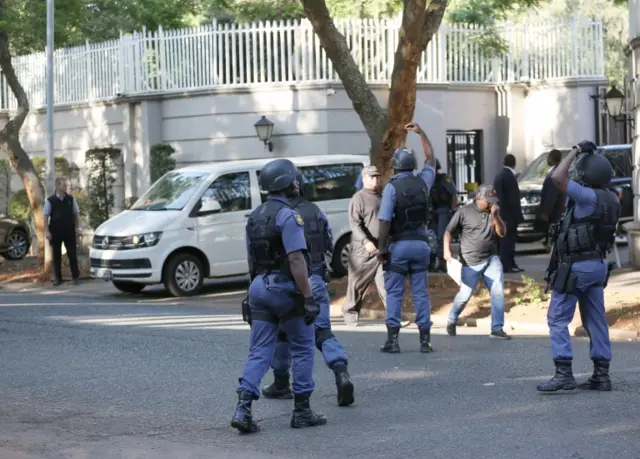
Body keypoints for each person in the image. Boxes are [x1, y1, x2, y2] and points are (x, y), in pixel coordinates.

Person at [232, 158, 326, 434]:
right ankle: (302, 411)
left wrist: (252, 296)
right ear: (285, 183)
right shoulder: (288, 216)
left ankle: (243, 407)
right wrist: (308, 296)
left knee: (260, 350)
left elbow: (252, 260)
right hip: (284, 287)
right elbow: (296, 258)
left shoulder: (255, 215)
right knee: (303, 344)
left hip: (259, 287)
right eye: (294, 179)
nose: (297, 183)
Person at [261, 170, 354, 407]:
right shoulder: (315, 211)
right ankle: (341, 371)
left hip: (287, 282)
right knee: (322, 332)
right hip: (315, 278)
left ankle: (281, 382)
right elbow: (329, 243)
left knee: (283, 333)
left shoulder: (275, 214)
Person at [537, 141, 619, 393]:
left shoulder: (587, 196)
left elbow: (556, 177)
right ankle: (601, 375)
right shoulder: (612, 198)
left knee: (557, 318)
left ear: (585, 174)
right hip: (597, 265)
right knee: (595, 320)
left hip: (577, 266)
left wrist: (573, 150)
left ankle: (564, 374)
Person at [376, 122, 436, 354]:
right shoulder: (424, 182)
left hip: (399, 246)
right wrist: (421, 133)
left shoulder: (392, 188)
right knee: (421, 291)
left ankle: (393, 341)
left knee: (395, 293)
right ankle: (425, 341)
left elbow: (384, 220)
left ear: (395, 166)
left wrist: (382, 249)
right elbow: (431, 158)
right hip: (421, 245)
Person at [443, 185, 512, 339]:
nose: (491, 203)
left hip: (491, 259)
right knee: (465, 295)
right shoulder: (464, 212)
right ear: (479, 197)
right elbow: (448, 231)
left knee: (498, 292)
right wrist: (446, 252)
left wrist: (496, 217)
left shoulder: (494, 212)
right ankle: (452, 318)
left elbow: (502, 233)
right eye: (489, 200)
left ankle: (496, 329)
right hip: (470, 261)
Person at [343, 165, 387, 326]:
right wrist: (365, 241)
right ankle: (350, 315)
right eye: (371, 177)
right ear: (364, 179)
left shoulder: (382, 196)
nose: (375, 179)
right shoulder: (358, 198)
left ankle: (393, 317)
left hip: (381, 249)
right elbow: (354, 224)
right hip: (363, 250)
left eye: (377, 176)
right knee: (356, 283)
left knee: (385, 283)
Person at [44, 177, 81, 286]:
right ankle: (57, 278)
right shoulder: (50, 201)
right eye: (63, 185)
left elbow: (76, 214)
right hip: (55, 230)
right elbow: (45, 217)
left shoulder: (70, 199)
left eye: (66, 185)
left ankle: (75, 277)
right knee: (56, 255)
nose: (65, 187)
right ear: (57, 186)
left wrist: (77, 228)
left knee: (72, 254)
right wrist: (47, 231)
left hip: (69, 229)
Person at [493, 154, 524, 273]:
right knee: (509, 241)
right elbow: (514, 199)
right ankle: (508, 264)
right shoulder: (510, 177)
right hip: (509, 214)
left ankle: (508, 263)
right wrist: (518, 216)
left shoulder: (498, 176)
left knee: (503, 241)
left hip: (500, 213)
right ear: (514, 163)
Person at [429, 159, 458, 272]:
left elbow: (453, 193)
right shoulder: (429, 180)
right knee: (432, 238)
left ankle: (443, 263)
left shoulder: (444, 179)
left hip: (443, 210)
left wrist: (453, 210)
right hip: (433, 211)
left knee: (442, 236)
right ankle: (432, 263)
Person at [538, 149, 566, 249]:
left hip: (555, 213)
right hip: (560, 211)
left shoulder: (554, 175)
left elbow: (551, 195)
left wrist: (546, 213)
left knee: (554, 239)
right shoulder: (562, 171)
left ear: (552, 158)